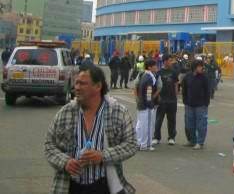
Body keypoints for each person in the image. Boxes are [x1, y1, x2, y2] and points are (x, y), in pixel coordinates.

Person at [44, 65, 137, 194]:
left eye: (82, 83)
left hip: (104, 186)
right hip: (69, 186)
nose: (77, 87)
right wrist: (65, 162)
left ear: (98, 86)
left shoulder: (117, 112)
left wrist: (103, 155)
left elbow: (131, 144)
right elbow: (49, 145)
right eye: (76, 83)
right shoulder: (65, 112)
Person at [181, 59, 210, 149]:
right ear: (194, 67)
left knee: (201, 125)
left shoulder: (204, 77)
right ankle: (192, 141)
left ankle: (200, 142)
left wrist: (206, 103)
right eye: (200, 66)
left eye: (202, 66)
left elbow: (207, 91)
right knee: (189, 125)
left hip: (201, 105)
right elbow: (184, 89)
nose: (202, 68)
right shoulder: (187, 77)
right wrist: (185, 101)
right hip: (189, 104)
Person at [153, 54, 179, 146]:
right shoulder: (159, 72)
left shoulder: (174, 72)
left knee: (172, 119)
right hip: (161, 100)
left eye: (171, 60)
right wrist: (157, 97)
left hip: (172, 100)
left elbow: (176, 84)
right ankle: (156, 137)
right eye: (169, 60)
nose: (171, 62)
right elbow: (155, 86)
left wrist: (176, 96)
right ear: (164, 61)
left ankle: (171, 137)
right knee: (159, 119)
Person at [135, 59, 159, 151]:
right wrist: (150, 105)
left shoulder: (144, 75)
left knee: (140, 124)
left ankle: (139, 143)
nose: (156, 67)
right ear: (149, 67)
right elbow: (149, 94)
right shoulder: (149, 78)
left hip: (141, 104)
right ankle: (145, 145)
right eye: (155, 66)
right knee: (147, 125)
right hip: (146, 106)